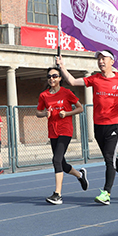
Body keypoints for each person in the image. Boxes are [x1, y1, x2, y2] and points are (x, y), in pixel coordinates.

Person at [56, 50, 118, 205]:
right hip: (98, 125)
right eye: (98, 59)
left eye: (103, 58)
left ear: (111, 61)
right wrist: (62, 66)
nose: (100, 61)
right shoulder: (95, 78)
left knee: (109, 159)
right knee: (109, 157)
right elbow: (72, 82)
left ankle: (106, 193)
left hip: (114, 124)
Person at [36, 67, 89, 205]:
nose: (51, 79)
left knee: (56, 160)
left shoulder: (67, 93)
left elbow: (80, 108)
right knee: (62, 164)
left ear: (60, 78)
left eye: (55, 76)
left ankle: (57, 194)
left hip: (65, 130)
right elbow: (38, 112)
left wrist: (67, 113)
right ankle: (80, 175)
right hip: (52, 131)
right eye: (49, 76)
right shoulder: (44, 95)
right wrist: (44, 114)